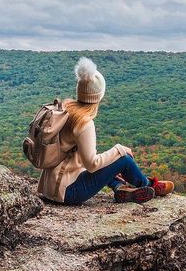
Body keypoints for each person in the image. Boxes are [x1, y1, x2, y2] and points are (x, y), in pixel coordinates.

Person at [37, 57, 174, 205]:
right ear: (99, 96)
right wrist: (119, 150)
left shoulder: (66, 108)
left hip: (49, 187)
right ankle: (149, 185)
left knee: (108, 159)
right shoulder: (84, 122)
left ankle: (120, 187)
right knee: (124, 159)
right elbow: (91, 165)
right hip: (68, 192)